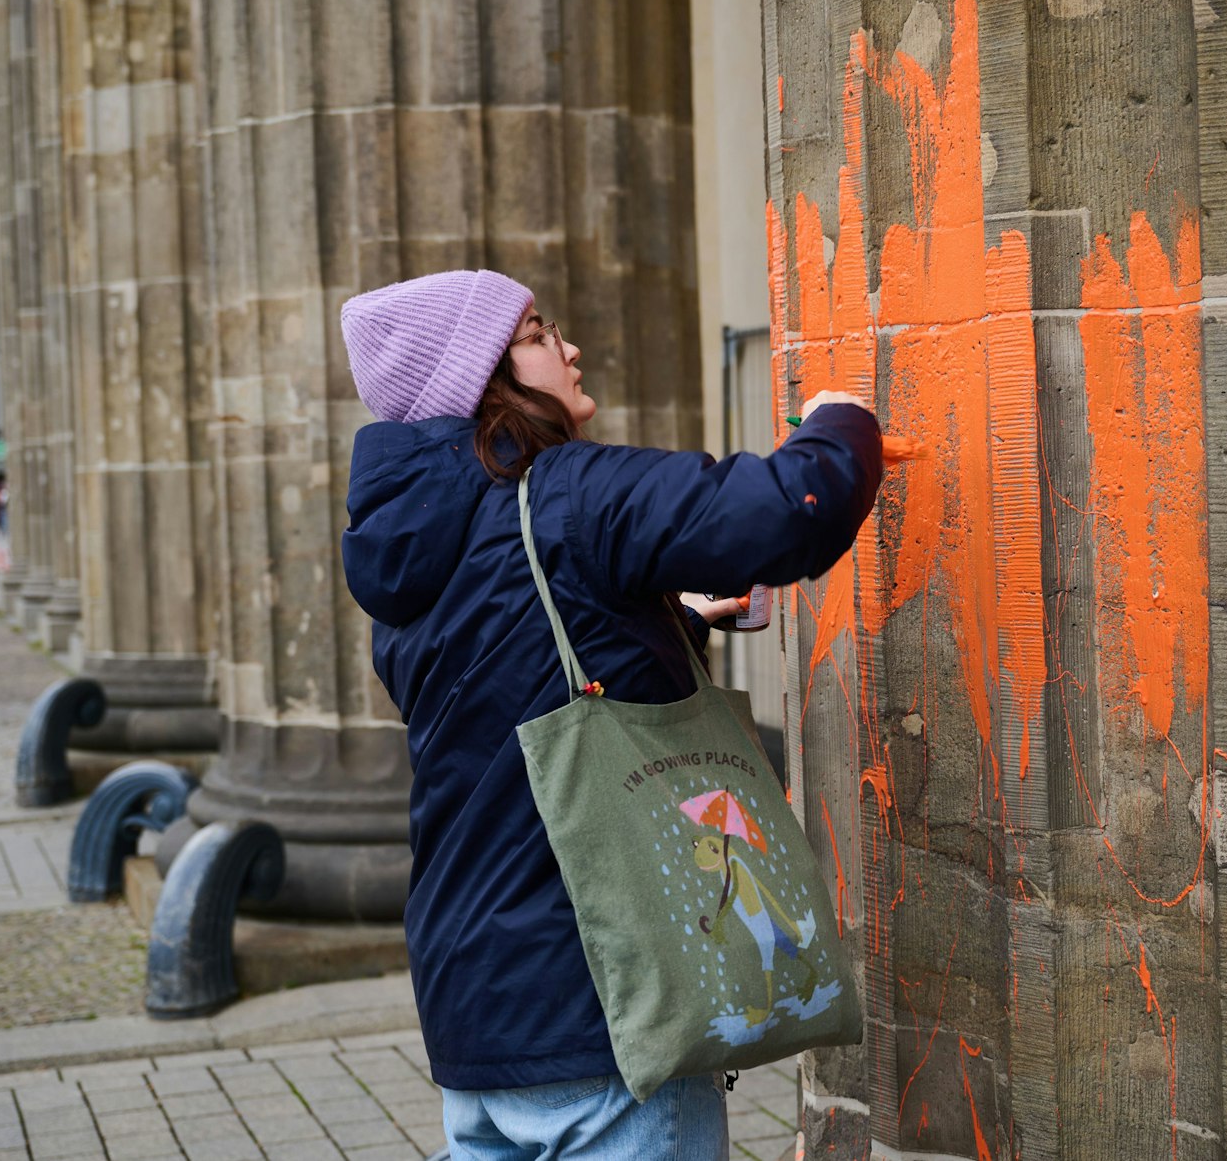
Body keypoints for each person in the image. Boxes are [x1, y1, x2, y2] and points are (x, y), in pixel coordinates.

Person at [336, 270, 882, 1160]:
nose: (570, 346)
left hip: (473, 1016)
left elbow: (518, 683)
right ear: (486, 376)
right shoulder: (569, 494)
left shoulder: (402, 558)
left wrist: (671, 617)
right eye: (539, 332)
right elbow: (791, 512)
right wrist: (844, 419)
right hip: (602, 1008)